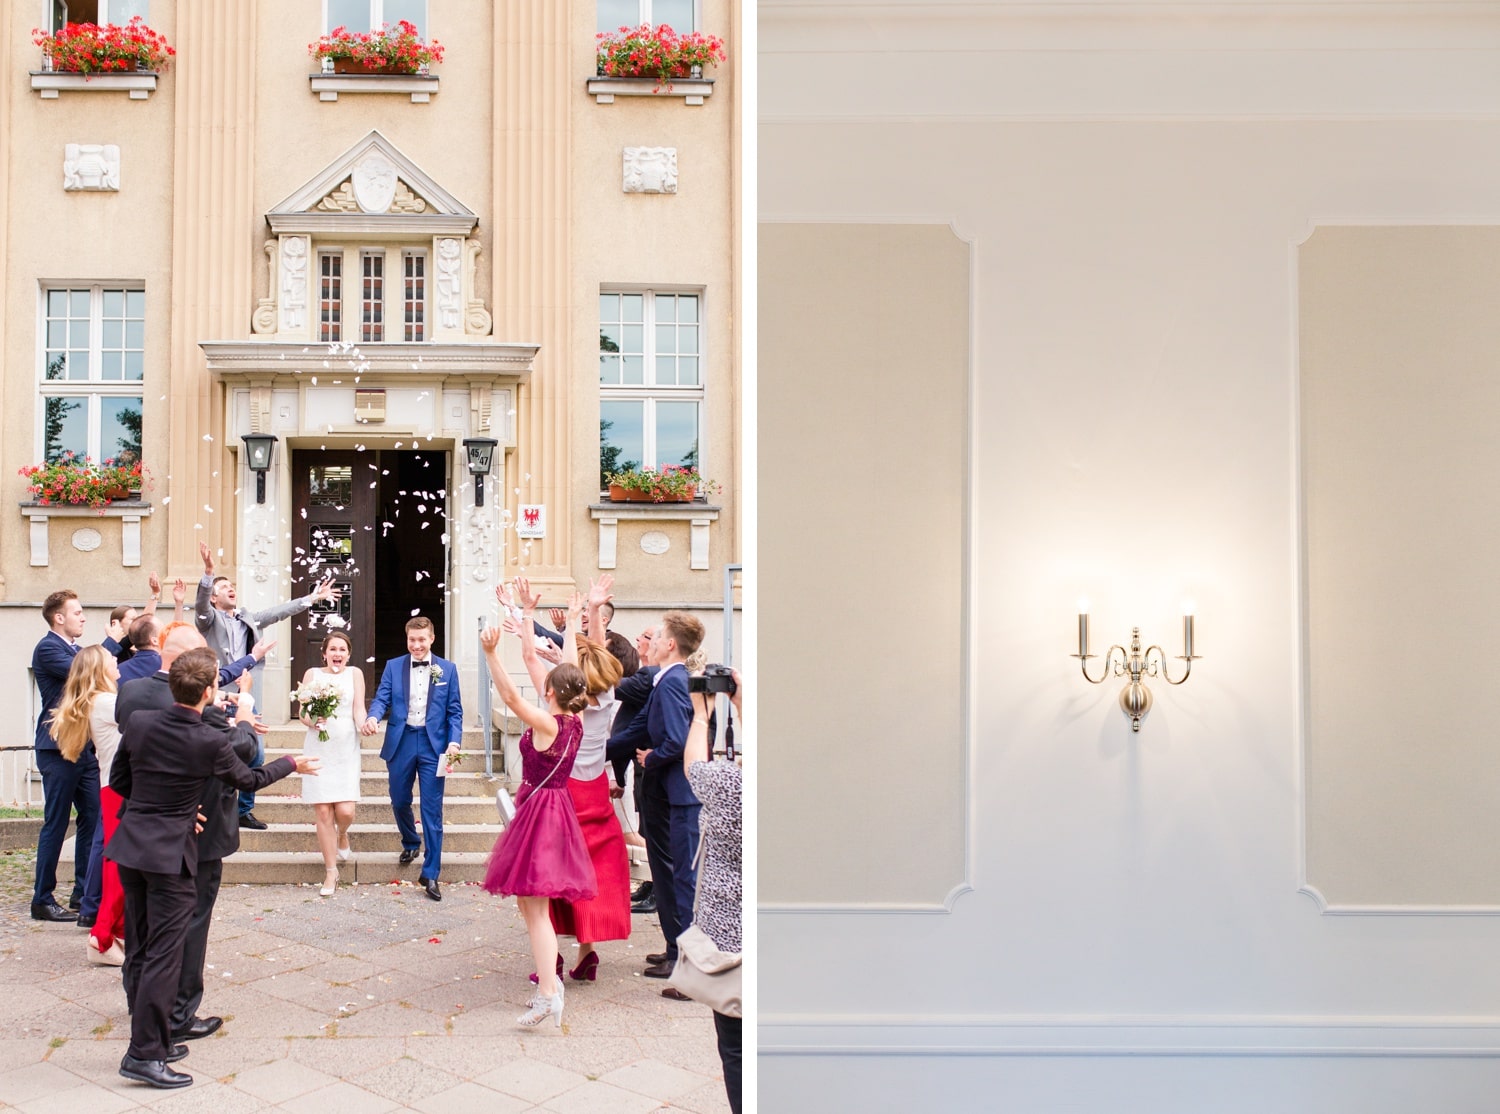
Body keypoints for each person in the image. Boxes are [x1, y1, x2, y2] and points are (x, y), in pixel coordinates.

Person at [108, 647, 317, 1089]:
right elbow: (250, 779)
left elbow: (122, 781)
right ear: (207, 692)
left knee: (142, 949)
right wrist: (293, 763)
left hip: (131, 848)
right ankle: (143, 1055)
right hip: (169, 858)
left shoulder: (142, 723)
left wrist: (163, 807)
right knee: (165, 956)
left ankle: (153, 1038)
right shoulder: (208, 740)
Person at [116, 625, 264, 1045]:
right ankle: (178, 1013)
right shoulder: (202, 706)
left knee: (141, 923)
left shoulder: (131, 695)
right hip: (195, 828)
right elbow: (241, 751)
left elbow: (127, 769)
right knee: (189, 924)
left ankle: (139, 1002)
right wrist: (244, 718)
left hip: (142, 828)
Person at [479, 590, 596, 1028]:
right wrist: (530, 615)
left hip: (539, 813)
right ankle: (549, 983)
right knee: (531, 907)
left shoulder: (548, 721)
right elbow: (547, 660)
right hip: (556, 809)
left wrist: (491, 654)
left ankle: (550, 993)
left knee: (536, 909)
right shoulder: (575, 719)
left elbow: (511, 699)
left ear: (549, 690)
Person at [508, 582, 632, 984]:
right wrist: (589, 612)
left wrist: (529, 615)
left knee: (552, 872)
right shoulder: (606, 695)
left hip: (565, 791)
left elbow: (532, 656)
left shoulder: (563, 706)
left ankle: (554, 958)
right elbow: (595, 652)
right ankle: (588, 951)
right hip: (596, 788)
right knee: (590, 871)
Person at [195, 539, 339, 830]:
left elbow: (277, 612)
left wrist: (311, 599)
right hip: (218, 691)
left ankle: (244, 810)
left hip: (246, 689)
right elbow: (199, 605)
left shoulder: (247, 617)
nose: (230, 589)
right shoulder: (208, 620)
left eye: (231, 585)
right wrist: (209, 573)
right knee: (217, 747)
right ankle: (212, 804)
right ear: (213, 597)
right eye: (223, 588)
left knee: (255, 751)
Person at [609, 612, 703, 983]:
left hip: (677, 797)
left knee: (680, 876)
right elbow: (635, 729)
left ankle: (686, 961)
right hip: (663, 796)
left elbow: (678, 741)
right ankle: (673, 948)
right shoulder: (664, 681)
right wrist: (584, 755)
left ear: (670, 645)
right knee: (664, 873)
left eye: (658, 634)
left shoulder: (673, 682)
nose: (649, 641)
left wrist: (653, 757)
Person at [360, 615, 462, 901]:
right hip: (402, 740)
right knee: (399, 799)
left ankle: (431, 873)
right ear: (407, 639)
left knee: (432, 810)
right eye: (412, 640)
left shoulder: (447, 669)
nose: (416, 645)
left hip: (434, 746)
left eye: (421, 640)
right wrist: (373, 717)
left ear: (432, 638)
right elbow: (382, 698)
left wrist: (454, 743)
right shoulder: (394, 667)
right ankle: (410, 840)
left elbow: (454, 710)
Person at [684, 673, 744, 1114]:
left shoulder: (728, 789)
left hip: (727, 943)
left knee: (735, 1048)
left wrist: (701, 713)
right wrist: (744, 705)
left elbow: (692, 766)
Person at [45, 646, 124, 963]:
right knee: (119, 867)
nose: (117, 661)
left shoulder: (101, 702)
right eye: (111, 660)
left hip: (112, 788)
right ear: (100, 671)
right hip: (119, 791)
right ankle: (101, 940)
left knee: (120, 865)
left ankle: (114, 935)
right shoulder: (106, 703)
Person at [30, 589, 98, 923]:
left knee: (94, 816)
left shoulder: (76, 649)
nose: (83, 617)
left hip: (84, 748)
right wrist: (112, 642)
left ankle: (83, 893)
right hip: (57, 749)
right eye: (77, 612)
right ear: (59, 617)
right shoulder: (48, 649)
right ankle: (42, 899)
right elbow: (87, 673)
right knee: (56, 823)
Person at [295, 630, 366, 896]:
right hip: (318, 747)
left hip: (346, 747)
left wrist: (365, 724)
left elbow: (358, 708)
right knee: (324, 812)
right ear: (324, 653)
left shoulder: (355, 674)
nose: (337, 654)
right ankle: (330, 872)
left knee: (345, 811)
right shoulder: (312, 675)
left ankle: (342, 834)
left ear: (348, 654)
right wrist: (314, 721)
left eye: (342, 650)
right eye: (333, 649)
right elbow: (302, 711)